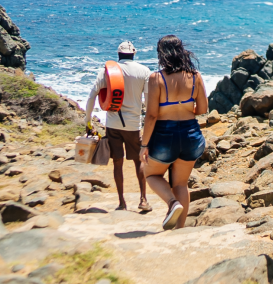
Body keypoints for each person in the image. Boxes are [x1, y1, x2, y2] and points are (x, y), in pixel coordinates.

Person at [140, 35, 208, 230]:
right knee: (180, 183)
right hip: (191, 134)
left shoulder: (157, 78)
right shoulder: (195, 76)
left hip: (165, 135)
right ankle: (180, 229)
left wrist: (144, 145)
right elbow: (203, 109)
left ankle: (172, 203)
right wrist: (184, 109)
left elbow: (151, 115)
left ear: (162, 54)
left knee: (150, 174)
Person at [85, 40, 151, 212]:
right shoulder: (144, 71)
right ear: (134, 53)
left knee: (117, 163)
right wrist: (150, 125)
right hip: (133, 125)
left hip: (113, 125)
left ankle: (122, 202)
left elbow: (92, 96)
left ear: (118, 54)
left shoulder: (106, 71)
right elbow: (148, 103)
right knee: (139, 161)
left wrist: (88, 121)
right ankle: (143, 200)